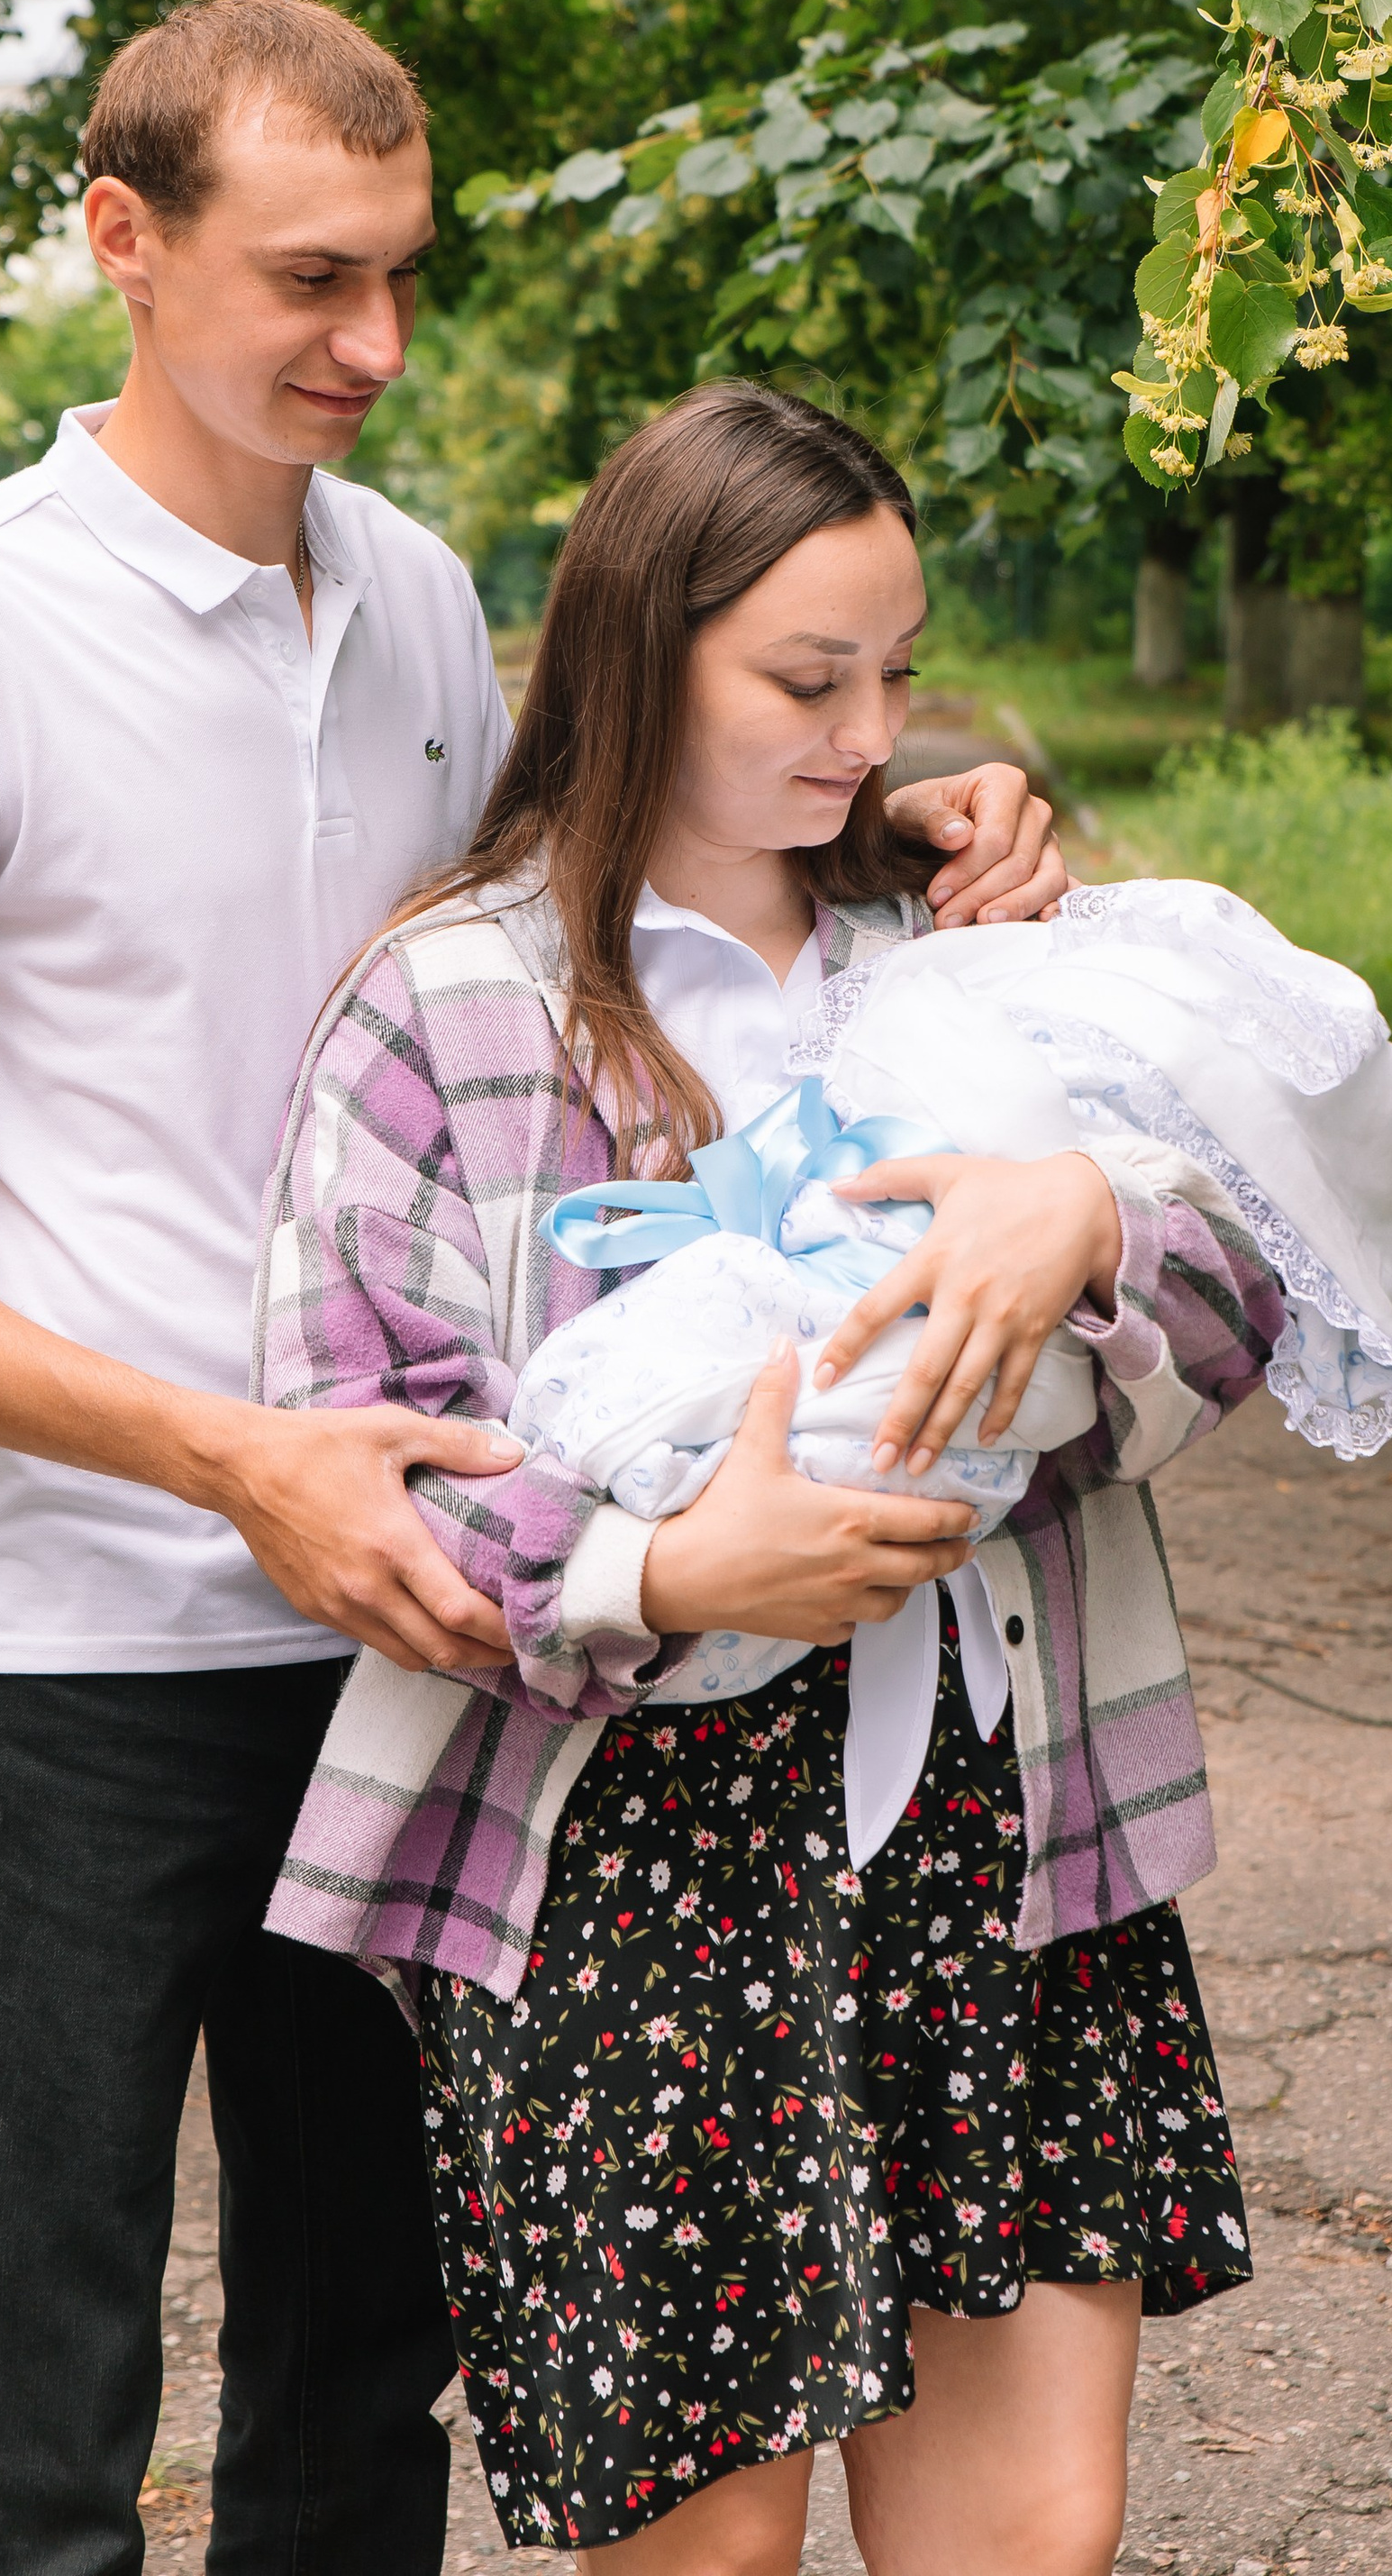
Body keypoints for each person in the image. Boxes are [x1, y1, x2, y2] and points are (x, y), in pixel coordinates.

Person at [0, 0, 1068, 2576]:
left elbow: (615, 879)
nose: (375, 345)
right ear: (122, 241)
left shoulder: (423, 596)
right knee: (34, 2420)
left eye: (406, 278)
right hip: (92, 1644)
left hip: (433, 1630)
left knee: (356, 2397)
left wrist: (909, 814)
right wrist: (232, 1456)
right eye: (310, 278)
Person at [257, 385, 1291, 2574]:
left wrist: (1083, 1229)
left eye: (894, 673)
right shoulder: (444, 1003)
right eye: (804, 679)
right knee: (699, 2547)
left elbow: (1241, 1304)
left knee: (1028, 2530)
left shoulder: (972, 958)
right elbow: (360, 1462)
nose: (864, 732)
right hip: (635, 1861)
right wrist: (660, 1562)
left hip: (991, 1819)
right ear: (639, 652)